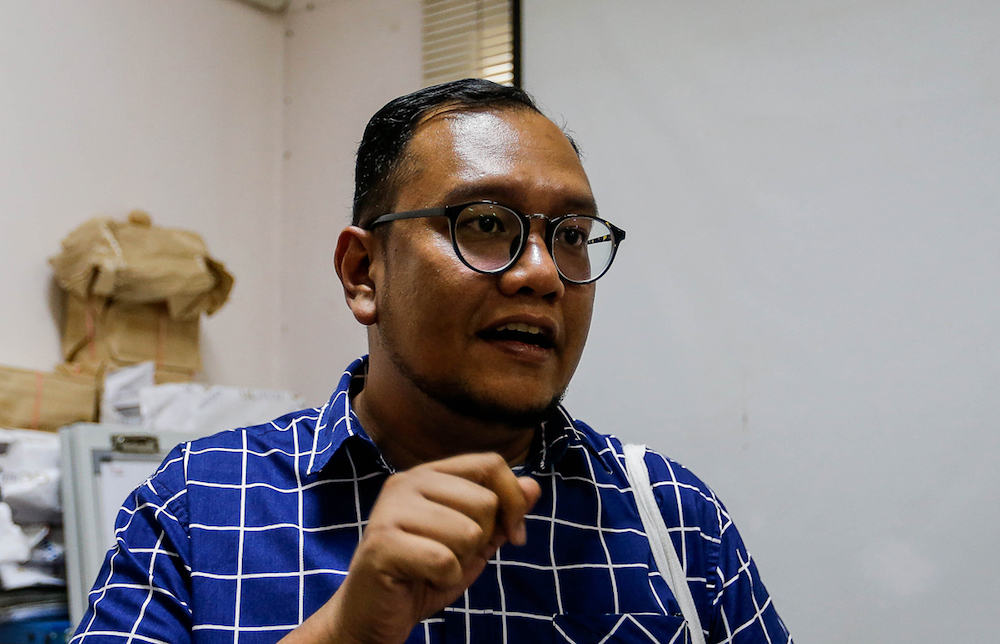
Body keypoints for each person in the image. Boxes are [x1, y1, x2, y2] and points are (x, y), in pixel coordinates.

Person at [70, 79, 792, 644]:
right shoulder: (198, 505)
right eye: (485, 223)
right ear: (364, 272)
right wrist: (344, 633)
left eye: (571, 235)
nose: (543, 273)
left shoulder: (674, 520)